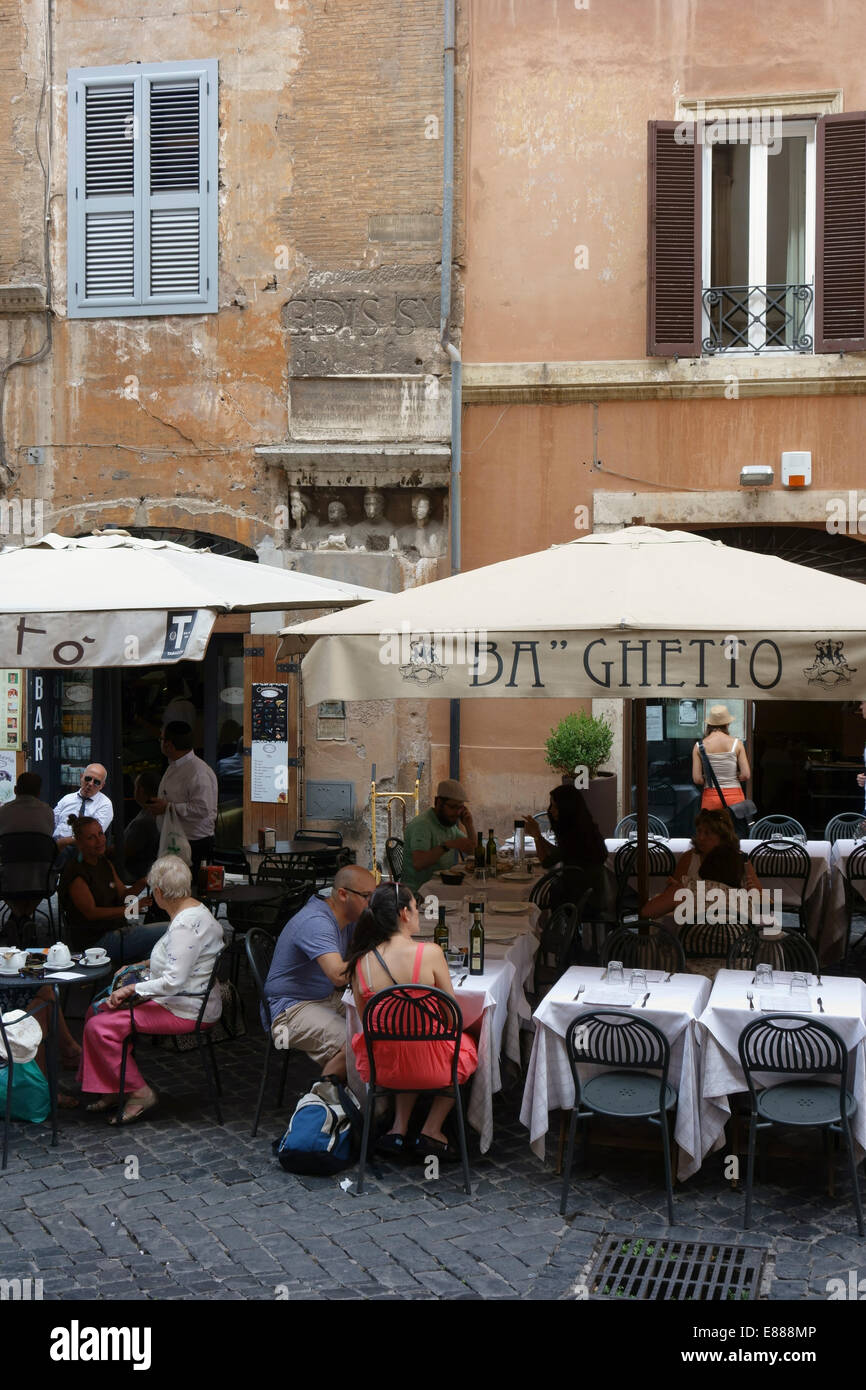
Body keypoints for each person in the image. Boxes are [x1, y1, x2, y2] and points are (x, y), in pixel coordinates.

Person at [78, 855, 224, 1124]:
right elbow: (182, 959)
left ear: (157, 892)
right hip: (182, 999)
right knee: (94, 1011)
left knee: (100, 1026)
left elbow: (173, 981)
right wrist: (143, 964)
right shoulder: (195, 911)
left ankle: (139, 1093)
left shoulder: (184, 926)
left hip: (186, 1006)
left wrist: (131, 988)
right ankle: (112, 1086)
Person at [345, 882, 478, 1159]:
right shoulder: (430, 953)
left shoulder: (361, 963)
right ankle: (431, 1128)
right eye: (416, 909)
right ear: (404, 913)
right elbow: (453, 1018)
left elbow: (367, 1024)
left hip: (386, 1068)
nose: (419, 914)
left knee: (404, 1044)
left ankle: (398, 1129)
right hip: (432, 1068)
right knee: (464, 1043)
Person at [263, 864, 377, 1080]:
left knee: (382, 1025)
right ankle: (323, 1100)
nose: (371, 903)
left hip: (322, 998)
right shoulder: (317, 923)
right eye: (367, 896)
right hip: (287, 1010)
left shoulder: (348, 917)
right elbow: (338, 975)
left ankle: (370, 1096)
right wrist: (380, 961)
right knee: (356, 1044)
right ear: (343, 894)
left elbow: (369, 942)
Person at [58, 817, 167, 966]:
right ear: (79, 843)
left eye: (100, 834)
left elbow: (123, 895)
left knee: (159, 951)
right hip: (96, 941)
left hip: (118, 931)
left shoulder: (104, 863)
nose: (99, 840)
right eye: (91, 838)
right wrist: (129, 909)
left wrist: (143, 881)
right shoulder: (75, 871)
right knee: (171, 929)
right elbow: (91, 912)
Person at [639, 809, 760, 920]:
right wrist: (675, 887)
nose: (701, 837)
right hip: (726, 934)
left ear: (723, 837)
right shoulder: (689, 858)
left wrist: (753, 893)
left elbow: (761, 899)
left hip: (695, 934)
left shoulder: (738, 860)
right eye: (699, 831)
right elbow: (671, 893)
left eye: (707, 833)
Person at [147, 722, 218, 877]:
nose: (160, 742)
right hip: (173, 838)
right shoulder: (175, 765)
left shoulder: (198, 772)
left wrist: (167, 807)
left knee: (187, 890)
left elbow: (202, 809)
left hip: (194, 843)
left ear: (169, 745)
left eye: (162, 739)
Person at [524, 785, 608, 909]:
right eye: (551, 805)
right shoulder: (583, 828)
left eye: (555, 806)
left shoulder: (575, 834)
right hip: (593, 895)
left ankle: (545, 927)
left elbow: (546, 862)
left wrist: (536, 836)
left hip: (584, 901)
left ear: (567, 808)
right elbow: (560, 853)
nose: (551, 810)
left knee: (537, 900)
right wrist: (540, 838)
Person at [401, 779, 477, 897]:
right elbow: (419, 863)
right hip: (419, 895)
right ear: (438, 802)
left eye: (461, 808)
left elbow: (473, 851)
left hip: (441, 888)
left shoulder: (447, 824)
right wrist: (447, 846)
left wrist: (469, 825)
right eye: (453, 807)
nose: (457, 812)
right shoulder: (422, 825)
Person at [692, 705, 751, 812]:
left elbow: (697, 779)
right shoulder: (737, 744)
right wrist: (734, 776)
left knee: (711, 828)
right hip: (735, 797)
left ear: (709, 724)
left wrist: (707, 777)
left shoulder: (699, 746)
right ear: (727, 724)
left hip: (711, 797)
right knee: (735, 828)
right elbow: (746, 775)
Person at [53, 764, 113, 849]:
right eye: (88, 779)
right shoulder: (67, 799)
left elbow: (93, 835)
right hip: (55, 846)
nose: (90, 784)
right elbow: (52, 822)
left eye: (96, 782)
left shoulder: (104, 804)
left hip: (81, 850)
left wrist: (64, 842)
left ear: (102, 786)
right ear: (81, 777)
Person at [122, 772, 161, 880]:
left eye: (135, 787)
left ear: (141, 790)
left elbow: (126, 851)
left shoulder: (144, 821)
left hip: (136, 875)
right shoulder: (155, 813)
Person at [0, 772, 54, 837]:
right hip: (38, 847)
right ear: (39, 793)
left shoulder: (3, 811)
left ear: (15, 790)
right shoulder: (48, 811)